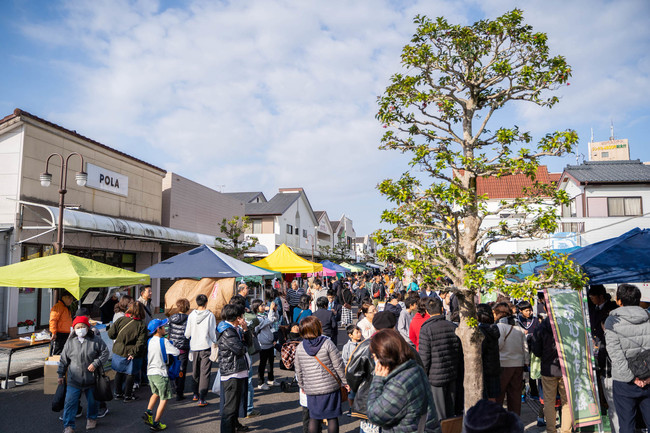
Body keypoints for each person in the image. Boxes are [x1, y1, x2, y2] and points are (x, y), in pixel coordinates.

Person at [366, 328, 440, 433]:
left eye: (374, 356)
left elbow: (375, 415)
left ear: (383, 356)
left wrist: (377, 380)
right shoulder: (414, 368)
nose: (374, 360)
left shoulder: (398, 384)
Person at [604, 283, 650, 433]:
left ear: (619, 301)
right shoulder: (648, 317)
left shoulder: (612, 321)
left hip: (625, 382)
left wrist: (632, 378)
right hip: (648, 378)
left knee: (627, 425)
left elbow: (615, 355)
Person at [294, 316, 348, 433]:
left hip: (312, 388)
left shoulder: (300, 347)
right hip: (330, 387)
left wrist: (302, 385)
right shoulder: (327, 343)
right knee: (332, 417)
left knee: (314, 417)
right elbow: (338, 365)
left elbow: (298, 370)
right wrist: (345, 381)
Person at [58, 315, 109, 433]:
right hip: (73, 379)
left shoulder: (96, 341)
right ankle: (68, 425)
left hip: (91, 379)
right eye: (77, 327)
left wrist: (95, 363)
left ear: (88, 327)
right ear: (74, 329)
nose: (80, 329)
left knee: (93, 402)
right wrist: (60, 374)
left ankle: (92, 418)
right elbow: (63, 359)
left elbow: (105, 352)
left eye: (83, 326)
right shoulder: (70, 342)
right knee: (70, 403)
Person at [418, 296, 462, 421]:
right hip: (452, 373)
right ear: (442, 309)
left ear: (427, 312)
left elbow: (424, 359)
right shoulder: (453, 326)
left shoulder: (426, 329)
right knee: (450, 411)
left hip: (435, 377)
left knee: (439, 414)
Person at [531, 313, 572, 433]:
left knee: (549, 401)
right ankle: (566, 430)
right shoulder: (567, 323)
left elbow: (536, 350)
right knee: (566, 401)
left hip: (548, 368)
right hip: (566, 368)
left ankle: (551, 429)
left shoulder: (541, 326)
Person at [217, 303, 251, 433]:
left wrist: (245, 329)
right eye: (241, 316)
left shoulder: (234, 329)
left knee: (235, 406)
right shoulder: (227, 331)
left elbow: (248, 344)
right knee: (230, 408)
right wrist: (244, 344)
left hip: (238, 371)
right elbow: (240, 349)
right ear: (237, 317)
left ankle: (234, 427)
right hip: (232, 372)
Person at [143, 318, 179, 431]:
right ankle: (156, 422)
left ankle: (148, 412)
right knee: (164, 398)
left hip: (150, 373)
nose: (165, 328)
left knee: (155, 393)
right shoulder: (163, 341)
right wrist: (170, 343)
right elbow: (176, 352)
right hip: (161, 373)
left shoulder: (150, 341)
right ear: (158, 329)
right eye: (163, 327)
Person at [108, 301, 148, 402]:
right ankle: (128, 395)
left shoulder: (121, 319)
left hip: (119, 350)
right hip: (132, 352)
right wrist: (133, 353)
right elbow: (141, 342)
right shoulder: (141, 325)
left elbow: (111, 334)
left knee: (119, 372)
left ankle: (117, 394)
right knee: (130, 374)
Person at [493, 302, 528, 416]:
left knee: (499, 395)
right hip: (518, 365)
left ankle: (499, 422)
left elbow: (499, 345)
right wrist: (526, 362)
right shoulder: (519, 329)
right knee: (515, 396)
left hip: (503, 364)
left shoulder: (499, 327)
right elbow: (525, 348)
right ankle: (515, 422)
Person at [184, 294, 217, 407]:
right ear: (206, 302)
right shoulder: (210, 315)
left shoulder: (191, 315)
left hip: (194, 346)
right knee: (205, 373)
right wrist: (215, 341)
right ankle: (202, 397)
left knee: (195, 371)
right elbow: (212, 333)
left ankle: (195, 394)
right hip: (206, 346)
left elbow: (187, 333)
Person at [252, 298, 279, 390]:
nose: (264, 306)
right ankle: (260, 382)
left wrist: (275, 311)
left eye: (264, 305)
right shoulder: (257, 319)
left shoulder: (266, 315)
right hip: (262, 344)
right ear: (256, 307)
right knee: (262, 364)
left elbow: (275, 319)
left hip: (270, 343)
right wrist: (271, 310)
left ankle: (271, 379)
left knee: (270, 363)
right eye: (262, 305)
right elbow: (269, 320)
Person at [477, 303, 501, 402]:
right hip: (494, 366)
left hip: (484, 367)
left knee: (486, 397)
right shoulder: (493, 328)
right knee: (492, 396)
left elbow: (481, 351)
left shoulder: (481, 331)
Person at [168, 298, 191, 401]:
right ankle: (179, 392)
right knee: (182, 370)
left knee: (173, 368)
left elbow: (169, 333)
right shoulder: (189, 319)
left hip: (173, 347)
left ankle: (173, 387)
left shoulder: (171, 318)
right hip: (183, 348)